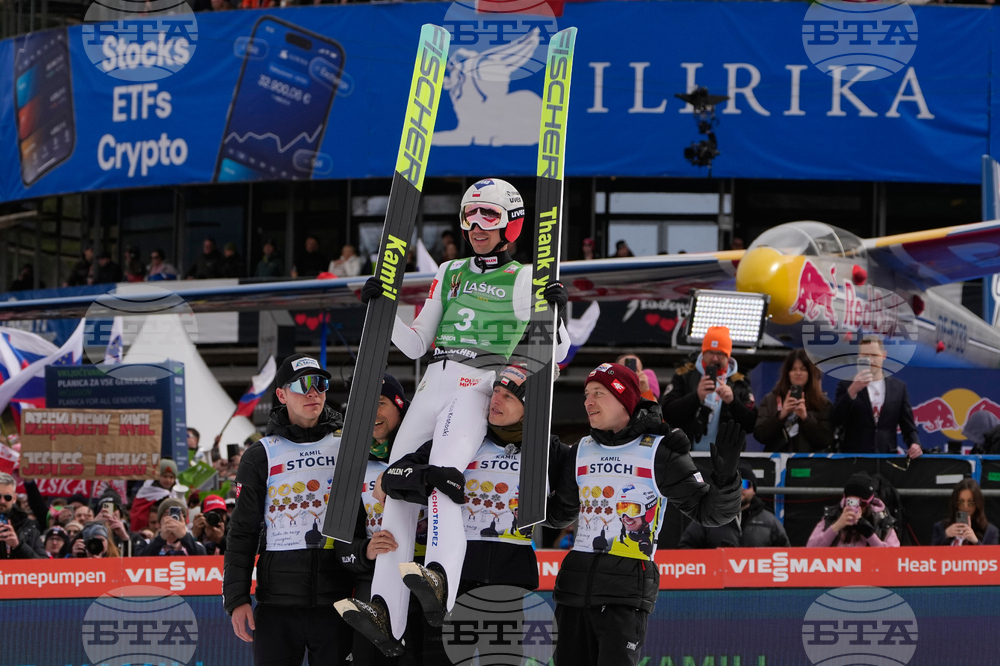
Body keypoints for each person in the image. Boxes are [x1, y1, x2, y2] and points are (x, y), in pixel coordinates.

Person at [336, 178, 570, 655]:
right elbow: (417, 342)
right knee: (397, 486)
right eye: (468, 215)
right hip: (433, 381)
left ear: (511, 223)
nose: (476, 225)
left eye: (488, 215)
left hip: (479, 381)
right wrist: (380, 310)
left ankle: (442, 572)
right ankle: (386, 610)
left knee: (443, 472)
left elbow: (556, 350)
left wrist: (557, 314)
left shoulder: (526, 277)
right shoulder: (451, 271)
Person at [376, 366, 579, 664]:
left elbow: (561, 516)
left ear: (529, 409)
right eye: (496, 391)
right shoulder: (463, 438)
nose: (495, 400)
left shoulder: (549, 451)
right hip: (452, 583)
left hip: (511, 584)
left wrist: (554, 502)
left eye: (508, 396)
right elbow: (394, 477)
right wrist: (434, 476)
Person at [553, 363, 744, 666]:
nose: (588, 401)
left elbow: (710, 513)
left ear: (623, 399)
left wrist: (726, 479)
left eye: (598, 393)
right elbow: (557, 517)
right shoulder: (580, 450)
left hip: (623, 597)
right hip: (573, 594)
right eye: (586, 394)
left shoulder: (659, 451)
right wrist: (541, 468)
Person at [224, 353, 353, 665]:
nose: (313, 392)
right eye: (303, 384)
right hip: (277, 604)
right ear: (281, 394)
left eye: (320, 384)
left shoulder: (348, 442)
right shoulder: (260, 454)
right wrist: (237, 598)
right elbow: (242, 531)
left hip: (337, 599)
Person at [660, 326, 757, 451]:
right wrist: (696, 397)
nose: (715, 358)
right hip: (686, 456)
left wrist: (733, 402)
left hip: (726, 460)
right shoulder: (684, 376)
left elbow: (751, 424)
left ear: (728, 355)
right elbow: (667, 412)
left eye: (720, 353)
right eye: (710, 352)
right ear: (703, 352)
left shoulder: (740, 382)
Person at [832, 335, 921, 457]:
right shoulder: (846, 385)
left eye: (874, 355)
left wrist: (914, 444)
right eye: (865, 356)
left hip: (886, 457)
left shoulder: (899, 388)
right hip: (854, 458)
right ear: (859, 356)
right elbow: (835, 420)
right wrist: (852, 391)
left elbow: (908, 426)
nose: (871, 360)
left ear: (884, 355)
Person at [678, 461, 790, 549]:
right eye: (735, 484)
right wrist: (712, 561)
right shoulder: (708, 517)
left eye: (746, 484)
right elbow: (685, 549)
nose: (740, 488)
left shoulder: (770, 521)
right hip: (718, 577)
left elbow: (786, 556)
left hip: (757, 578)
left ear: (754, 490)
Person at [754, 349, 833, 452]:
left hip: (810, 463)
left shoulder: (823, 403)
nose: (798, 373)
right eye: (793, 369)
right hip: (777, 461)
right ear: (787, 373)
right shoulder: (770, 400)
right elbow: (760, 435)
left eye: (803, 369)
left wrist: (806, 418)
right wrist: (780, 416)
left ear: (810, 373)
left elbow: (826, 440)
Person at [806, 472, 900, 548]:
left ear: (869, 503)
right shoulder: (831, 517)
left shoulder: (882, 522)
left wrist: (869, 534)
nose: (856, 508)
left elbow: (893, 559)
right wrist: (836, 526)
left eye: (862, 504)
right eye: (851, 502)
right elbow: (809, 550)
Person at [932, 478, 999, 546]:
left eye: (971, 502)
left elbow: (991, 555)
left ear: (978, 503)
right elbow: (931, 554)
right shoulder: (940, 528)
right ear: (955, 503)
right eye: (961, 502)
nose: (965, 506)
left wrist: (975, 541)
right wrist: (945, 535)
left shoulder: (990, 532)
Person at [0, 473, 45, 559]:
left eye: (7, 497)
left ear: (14, 499)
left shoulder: (27, 526)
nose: (2, 501)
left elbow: (43, 567)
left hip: (18, 572)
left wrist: (18, 545)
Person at [138, 499, 207, 556]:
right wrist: (161, 538)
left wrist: (184, 537)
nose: (173, 519)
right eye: (168, 515)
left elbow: (204, 561)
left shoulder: (195, 545)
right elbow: (139, 563)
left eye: (178, 516)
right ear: (160, 521)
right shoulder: (146, 543)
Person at [130, 459, 180, 531]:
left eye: (171, 477)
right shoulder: (147, 490)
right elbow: (138, 514)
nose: (168, 480)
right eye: (164, 476)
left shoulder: (176, 492)